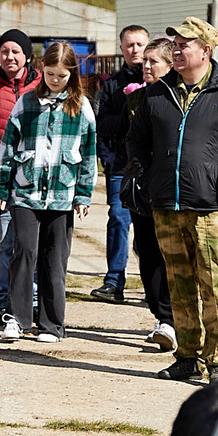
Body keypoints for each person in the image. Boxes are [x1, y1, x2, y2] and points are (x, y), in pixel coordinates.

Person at [124, 16, 218, 384]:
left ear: (207, 50)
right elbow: (136, 140)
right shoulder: (157, 93)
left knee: (215, 288)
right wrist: (150, 177)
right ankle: (187, 356)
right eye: (176, 43)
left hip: (211, 209)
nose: (178, 49)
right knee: (179, 287)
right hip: (167, 208)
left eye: (185, 43)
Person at [0, 40, 97, 344]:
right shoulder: (25, 103)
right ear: (42, 69)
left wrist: (83, 194)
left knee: (55, 259)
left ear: (72, 74)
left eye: (62, 76)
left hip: (62, 194)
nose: (56, 80)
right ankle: (16, 318)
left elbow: (89, 153)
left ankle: (52, 324)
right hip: (25, 192)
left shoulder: (81, 107)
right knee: (23, 251)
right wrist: (2, 187)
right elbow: (8, 148)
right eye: (51, 74)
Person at [0, 28, 36, 333]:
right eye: (4, 51)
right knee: (3, 242)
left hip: (34, 179)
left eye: (16, 51)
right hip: (3, 177)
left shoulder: (41, 86)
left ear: (26, 55)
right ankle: (5, 303)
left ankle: (33, 300)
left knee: (32, 243)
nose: (10, 56)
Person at [91, 23, 151, 304]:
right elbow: (102, 124)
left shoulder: (161, 80)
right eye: (129, 45)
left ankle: (154, 283)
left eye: (140, 44)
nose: (135, 50)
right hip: (121, 166)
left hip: (152, 167)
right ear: (122, 49)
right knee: (117, 218)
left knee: (149, 227)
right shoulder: (113, 84)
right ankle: (114, 281)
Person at [130, 38, 177, 350]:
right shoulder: (136, 100)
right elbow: (124, 139)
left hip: (174, 193)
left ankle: (173, 319)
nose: (146, 66)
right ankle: (161, 317)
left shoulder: (179, 99)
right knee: (147, 255)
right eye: (144, 61)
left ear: (171, 65)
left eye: (153, 61)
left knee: (170, 257)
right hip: (142, 192)